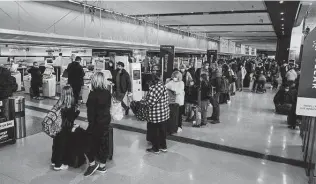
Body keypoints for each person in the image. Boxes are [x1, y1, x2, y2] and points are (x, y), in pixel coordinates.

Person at [84, 72, 112, 176]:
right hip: (105, 121)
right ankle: (102, 166)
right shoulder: (107, 93)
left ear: (94, 81)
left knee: (85, 142)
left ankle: (92, 164)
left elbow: (90, 113)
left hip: (95, 123)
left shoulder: (92, 95)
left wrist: (90, 125)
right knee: (103, 143)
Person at [51, 85, 78, 171]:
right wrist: (77, 112)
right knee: (62, 146)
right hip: (64, 128)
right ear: (71, 94)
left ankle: (54, 160)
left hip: (56, 127)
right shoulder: (70, 105)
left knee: (56, 144)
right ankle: (58, 165)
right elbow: (71, 119)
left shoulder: (59, 103)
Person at [142, 74, 170, 154]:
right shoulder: (162, 86)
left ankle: (156, 148)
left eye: (148, 82)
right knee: (162, 131)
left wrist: (142, 101)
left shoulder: (153, 89)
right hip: (164, 113)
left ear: (150, 81)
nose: (147, 84)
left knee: (155, 132)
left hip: (156, 114)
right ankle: (163, 147)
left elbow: (150, 102)